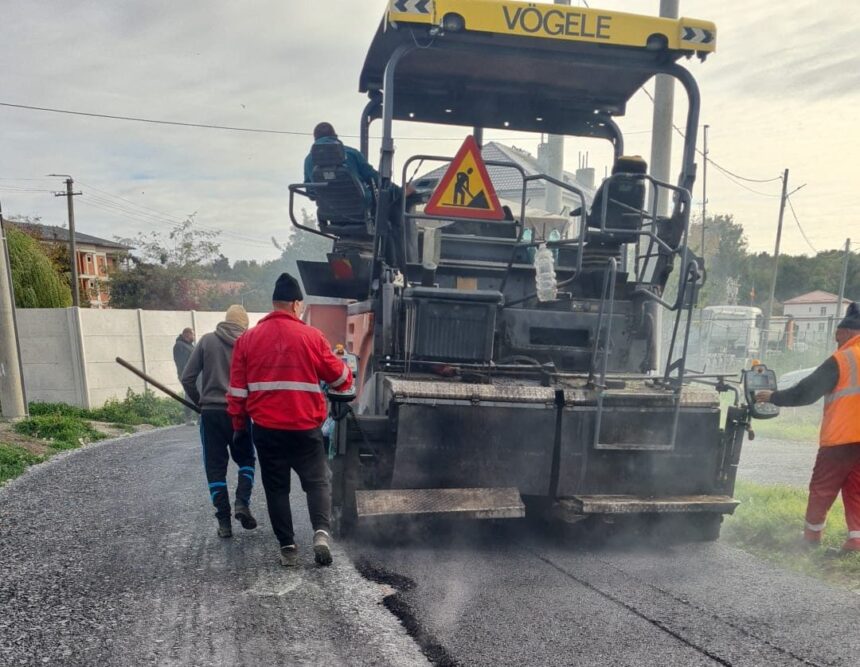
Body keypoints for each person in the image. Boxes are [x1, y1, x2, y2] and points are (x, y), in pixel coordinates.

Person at [227, 273, 353, 567]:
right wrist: (346, 377)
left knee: (277, 489)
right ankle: (321, 534)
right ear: (296, 304)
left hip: (267, 430)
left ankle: (288, 548)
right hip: (305, 428)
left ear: (274, 303)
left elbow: (237, 391)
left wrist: (238, 426)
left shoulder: (247, 340)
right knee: (317, 482)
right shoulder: (312, 337)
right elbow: (340, 378)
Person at [755, 301, 860, 552]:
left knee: (822, 488)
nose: (836, 341)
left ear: (847, 331)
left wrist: (773, 397)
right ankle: (856, 540)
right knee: (856, 488)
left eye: (838, 336)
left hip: (841, 439)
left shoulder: (844, 358)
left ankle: (811, 538)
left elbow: (806, 392)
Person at [182, 306, 257, 538]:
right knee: (246, 460)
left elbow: (187, 378)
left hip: (211, 413)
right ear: (245, 325)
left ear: (226, 320)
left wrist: (199, 401)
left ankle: (224, 523)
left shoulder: (206, 341)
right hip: (239, 413)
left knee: (215, 468)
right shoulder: (250, 345)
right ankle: (242, 502)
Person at [303, 122, 416, 261]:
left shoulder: (309, 161)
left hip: (331, 217)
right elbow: (376, 179)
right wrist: (399, 192)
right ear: (335, 136)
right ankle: (398, 264)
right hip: (361, 214)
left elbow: (311, 193)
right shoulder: (352, 154)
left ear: (315, 140)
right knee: (391, 218)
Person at [173, 327, 196, 425]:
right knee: (189, 396)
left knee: (194, 394)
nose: (194, 336)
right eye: (193, 334)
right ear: (187, 334)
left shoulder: (189, 346)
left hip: (193, 375)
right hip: (186, 375)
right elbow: (181, 363)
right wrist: (187, 376)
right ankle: (188, 418)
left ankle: (198, 416)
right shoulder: (179, 346)